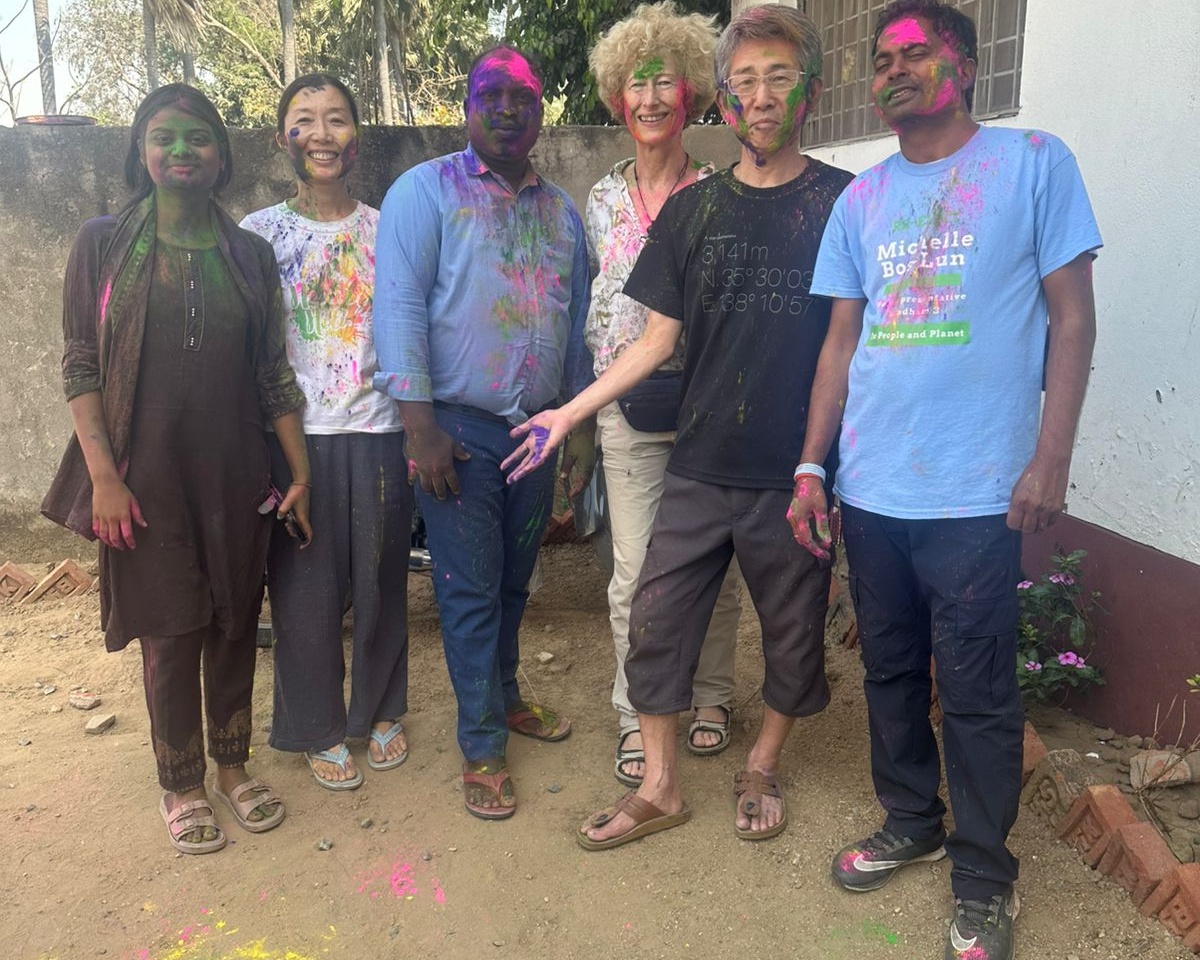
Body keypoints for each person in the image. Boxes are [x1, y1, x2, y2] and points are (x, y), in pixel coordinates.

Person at [787, 3, 1101, 958]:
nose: (894, 70)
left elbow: (1073, 320)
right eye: (881, 60)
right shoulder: (860, 201)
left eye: (914, 53)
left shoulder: (1034, 163)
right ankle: (911, 819)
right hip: (874, 485)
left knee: (974, 690)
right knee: (885, 668)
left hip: (975, 490)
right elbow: (840, 346)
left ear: (961, 62)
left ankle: (981, 876)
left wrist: (1051, 455)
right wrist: (813, 465)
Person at [505, 5, 852, 848]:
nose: (761, 97)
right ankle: (660, 786)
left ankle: (761, 763)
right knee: (654, 612)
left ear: (807, 90)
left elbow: (851, 343)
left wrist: (826, 464)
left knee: (793, 627)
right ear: (725, 101)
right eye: (746, 82)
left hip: (791, 470)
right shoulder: (693, 214)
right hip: (696, 459)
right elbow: (653, 340)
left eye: (777, 77)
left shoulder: (847, 203)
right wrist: (571, 411)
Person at [42, 84, 311, 854]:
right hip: (143, 479)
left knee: (233, 619)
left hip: (235, 474)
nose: (183, 151)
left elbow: (272, 375)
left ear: (222, 157)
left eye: (199, 138)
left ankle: (233, 768)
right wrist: (102, 477)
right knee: (170, 630)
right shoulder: (102, 244)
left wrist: (301, 472)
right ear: (140, 151)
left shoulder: (249, 255)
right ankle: (182, 780)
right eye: (165, 137)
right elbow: (80, 361)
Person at [372, 45, 591, 820]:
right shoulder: (423, 192)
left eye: (523, 98)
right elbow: (397, 308)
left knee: (511, 582)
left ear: (541, 114)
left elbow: (575, 327)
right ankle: (483, 744)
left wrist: (575, 428)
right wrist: (419, 427)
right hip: (456, 433)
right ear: (468, 105)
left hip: (537, 432)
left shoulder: (562, 212)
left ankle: (507, 698)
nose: (507, 110)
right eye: (491, 95)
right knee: (467, 591)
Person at [585, 1, 743, 787]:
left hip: (707, 411)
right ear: (618, 100)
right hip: (626, 410)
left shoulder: (718, 196)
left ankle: (712, 694)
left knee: (714, 563)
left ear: (692, 96)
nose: (649, 99)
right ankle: (634, 710)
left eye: (666, 83)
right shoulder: (602, 200)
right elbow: (600, 303)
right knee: (635, 570)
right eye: (635, 86)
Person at [240, 74, 413, 792]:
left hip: (378, 430)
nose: (321, 135)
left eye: (336, 120)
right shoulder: (258, 235)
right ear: (284, 136)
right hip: (294, 440)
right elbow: (250, 351)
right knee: (304, 590)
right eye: (304, 121)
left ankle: (378, 709)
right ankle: (313, 722)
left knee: (380, 580)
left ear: (356, 135)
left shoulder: (387, 230)